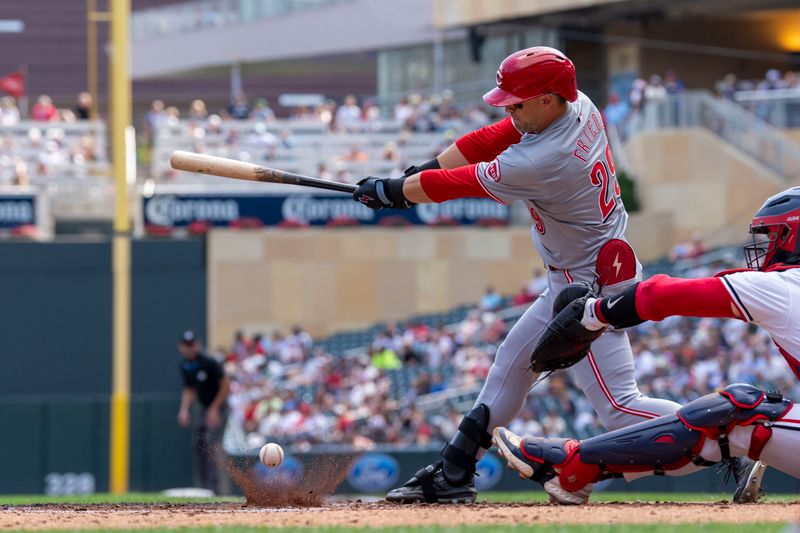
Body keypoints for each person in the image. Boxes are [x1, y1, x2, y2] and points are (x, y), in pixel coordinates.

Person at [352, 46, 762, 504]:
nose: (509, 108)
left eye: (517, 101)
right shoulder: (576, 105)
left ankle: (736, 445)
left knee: (620, 409)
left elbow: (458, 184)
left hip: (587, 290)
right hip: (583, 272)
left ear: (547, 99)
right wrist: (416, 174)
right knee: (511, 365)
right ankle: (454, 471)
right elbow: (491, 136)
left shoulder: (542, 159)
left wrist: (394, 191)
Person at [493, 187, 800, 499]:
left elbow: (660, 295)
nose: (765, 248)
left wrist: (595, 313)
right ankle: (575, 466)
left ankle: (573, 464)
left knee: (736, 412)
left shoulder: (785, 286)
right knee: (734, 421)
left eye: (774, 237)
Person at [177, 330, 230, 494]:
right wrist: (184, 409)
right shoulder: (185, 365)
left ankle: (217, 490)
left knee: (211, 443)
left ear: (197, 345)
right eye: (186, 345)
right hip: (203, 408)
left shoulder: (209, 362)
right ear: (180, 347)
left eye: (191, 345)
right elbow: (189, 388)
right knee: (198, 444)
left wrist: (214, 408)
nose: (189, 348)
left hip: (218, 407)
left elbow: (225, 385)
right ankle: (204, 488)